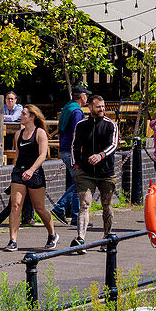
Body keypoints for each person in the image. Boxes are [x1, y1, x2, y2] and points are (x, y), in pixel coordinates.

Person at [4, 105, 58, 252]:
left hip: (35, 174)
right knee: (15, 206)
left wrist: (31, 170)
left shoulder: (40, 133)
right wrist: (16, 168)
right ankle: (13, 240)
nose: (21, 116)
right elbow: (17, 155)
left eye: (24, 114)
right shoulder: (18, 134)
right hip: (19, 173)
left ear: (32, 117)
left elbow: (42, 155)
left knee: (39, 208)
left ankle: (52, 234)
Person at [71, 94, 119, 253]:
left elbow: (114, 145)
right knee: (84, 205)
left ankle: (107, 237)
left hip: (106, 172)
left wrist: (101, 155)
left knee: (107, 205)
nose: (102, 109)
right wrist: (76, 166)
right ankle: (81, 239)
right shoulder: (81, 125)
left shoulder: (110, 125)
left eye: (103, 106)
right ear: (90, 107)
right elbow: (75, 146)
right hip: (85, 172)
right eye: (98, 107)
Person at [51, 85, 91, 225]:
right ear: (81, 96)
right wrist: (80, 151)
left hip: (64, 149)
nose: (87, 98)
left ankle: (75, 217)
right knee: (79, 182)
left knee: (77, 182)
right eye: (86, 95)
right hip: (71, 151)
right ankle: (60, 207)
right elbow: (77, 133)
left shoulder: (68, 107)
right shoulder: (77, 112)